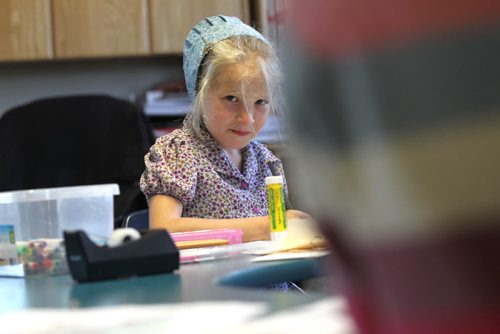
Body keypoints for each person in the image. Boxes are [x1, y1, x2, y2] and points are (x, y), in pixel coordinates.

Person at [140, 15, 309, 242]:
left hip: (268, 278)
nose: (247, 118)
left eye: (260, 102)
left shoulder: (265, 162)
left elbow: (280, 242)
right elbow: (164, 230)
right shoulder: (181, 153)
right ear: (200, 93)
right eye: (231, 98)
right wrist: (266, 226)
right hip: (209, 278)